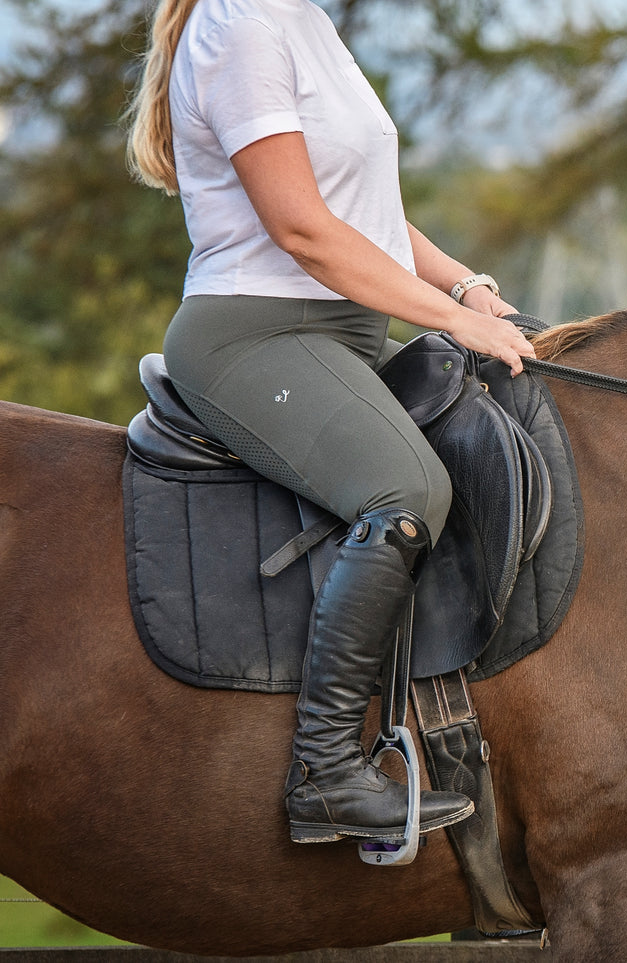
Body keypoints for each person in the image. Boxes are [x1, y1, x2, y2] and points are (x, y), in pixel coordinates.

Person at [123, 0, 536, 845]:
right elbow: (303, 229)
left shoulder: (304, 20)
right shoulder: (238, 26)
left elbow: (363, 215)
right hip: (255, 333)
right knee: (406, 486)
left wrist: (466, 286)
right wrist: (450, 321)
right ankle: (325, 771)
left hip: (344, 331)